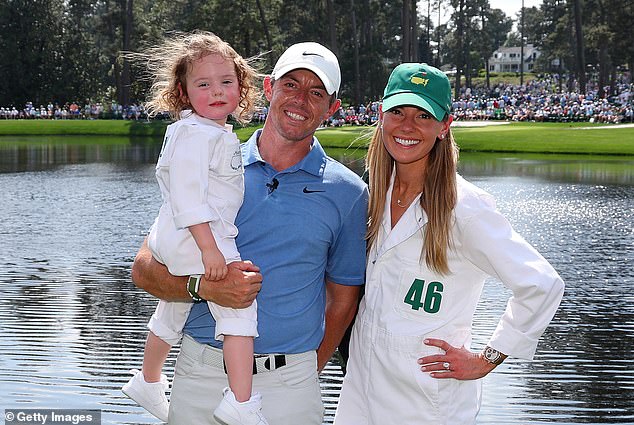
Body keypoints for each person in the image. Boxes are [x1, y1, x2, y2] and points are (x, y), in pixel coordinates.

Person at [130, 41, 368, 425]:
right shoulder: (214, 163)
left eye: (316, 92)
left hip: (292, 382)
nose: (301, 100)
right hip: (201, 372)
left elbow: (342, 301)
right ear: (270, 88)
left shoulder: (348, 193)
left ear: (333, 107)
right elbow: (144, 269)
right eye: (291, 85)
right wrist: (204, 288)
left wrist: (307, 369)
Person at [333, 63, 565, 425]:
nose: (407, 126)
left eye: (423, 115)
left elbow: (541, 284)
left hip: (427, 400)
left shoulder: (465, 208)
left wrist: (488, 358)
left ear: (444, 126)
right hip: (362, 387)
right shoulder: (373, 195)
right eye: (398, 111)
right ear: (381, 116)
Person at [121, 31, 267, 425]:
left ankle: (148, 380)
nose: (216, 91)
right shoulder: (197, 134)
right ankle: (240, 402)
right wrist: (210, 249)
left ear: (241, 86)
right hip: (197, 235)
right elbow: (188, 197)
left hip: (174, 234)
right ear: (183, 93)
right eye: (203, 84)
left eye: (226, 82)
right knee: (239, 307)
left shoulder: (204, 130)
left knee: (173, 305)